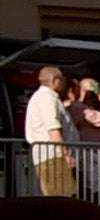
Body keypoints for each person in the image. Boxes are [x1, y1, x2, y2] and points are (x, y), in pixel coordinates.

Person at [22, 60, 71, 198]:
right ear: (56, 81)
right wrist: (66, 154)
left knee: (62, 196)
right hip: (53, 155)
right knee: (61, 197)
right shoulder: (46, 97)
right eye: (62, 80)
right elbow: (53, 128)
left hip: (52, 155)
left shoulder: (45, 97)